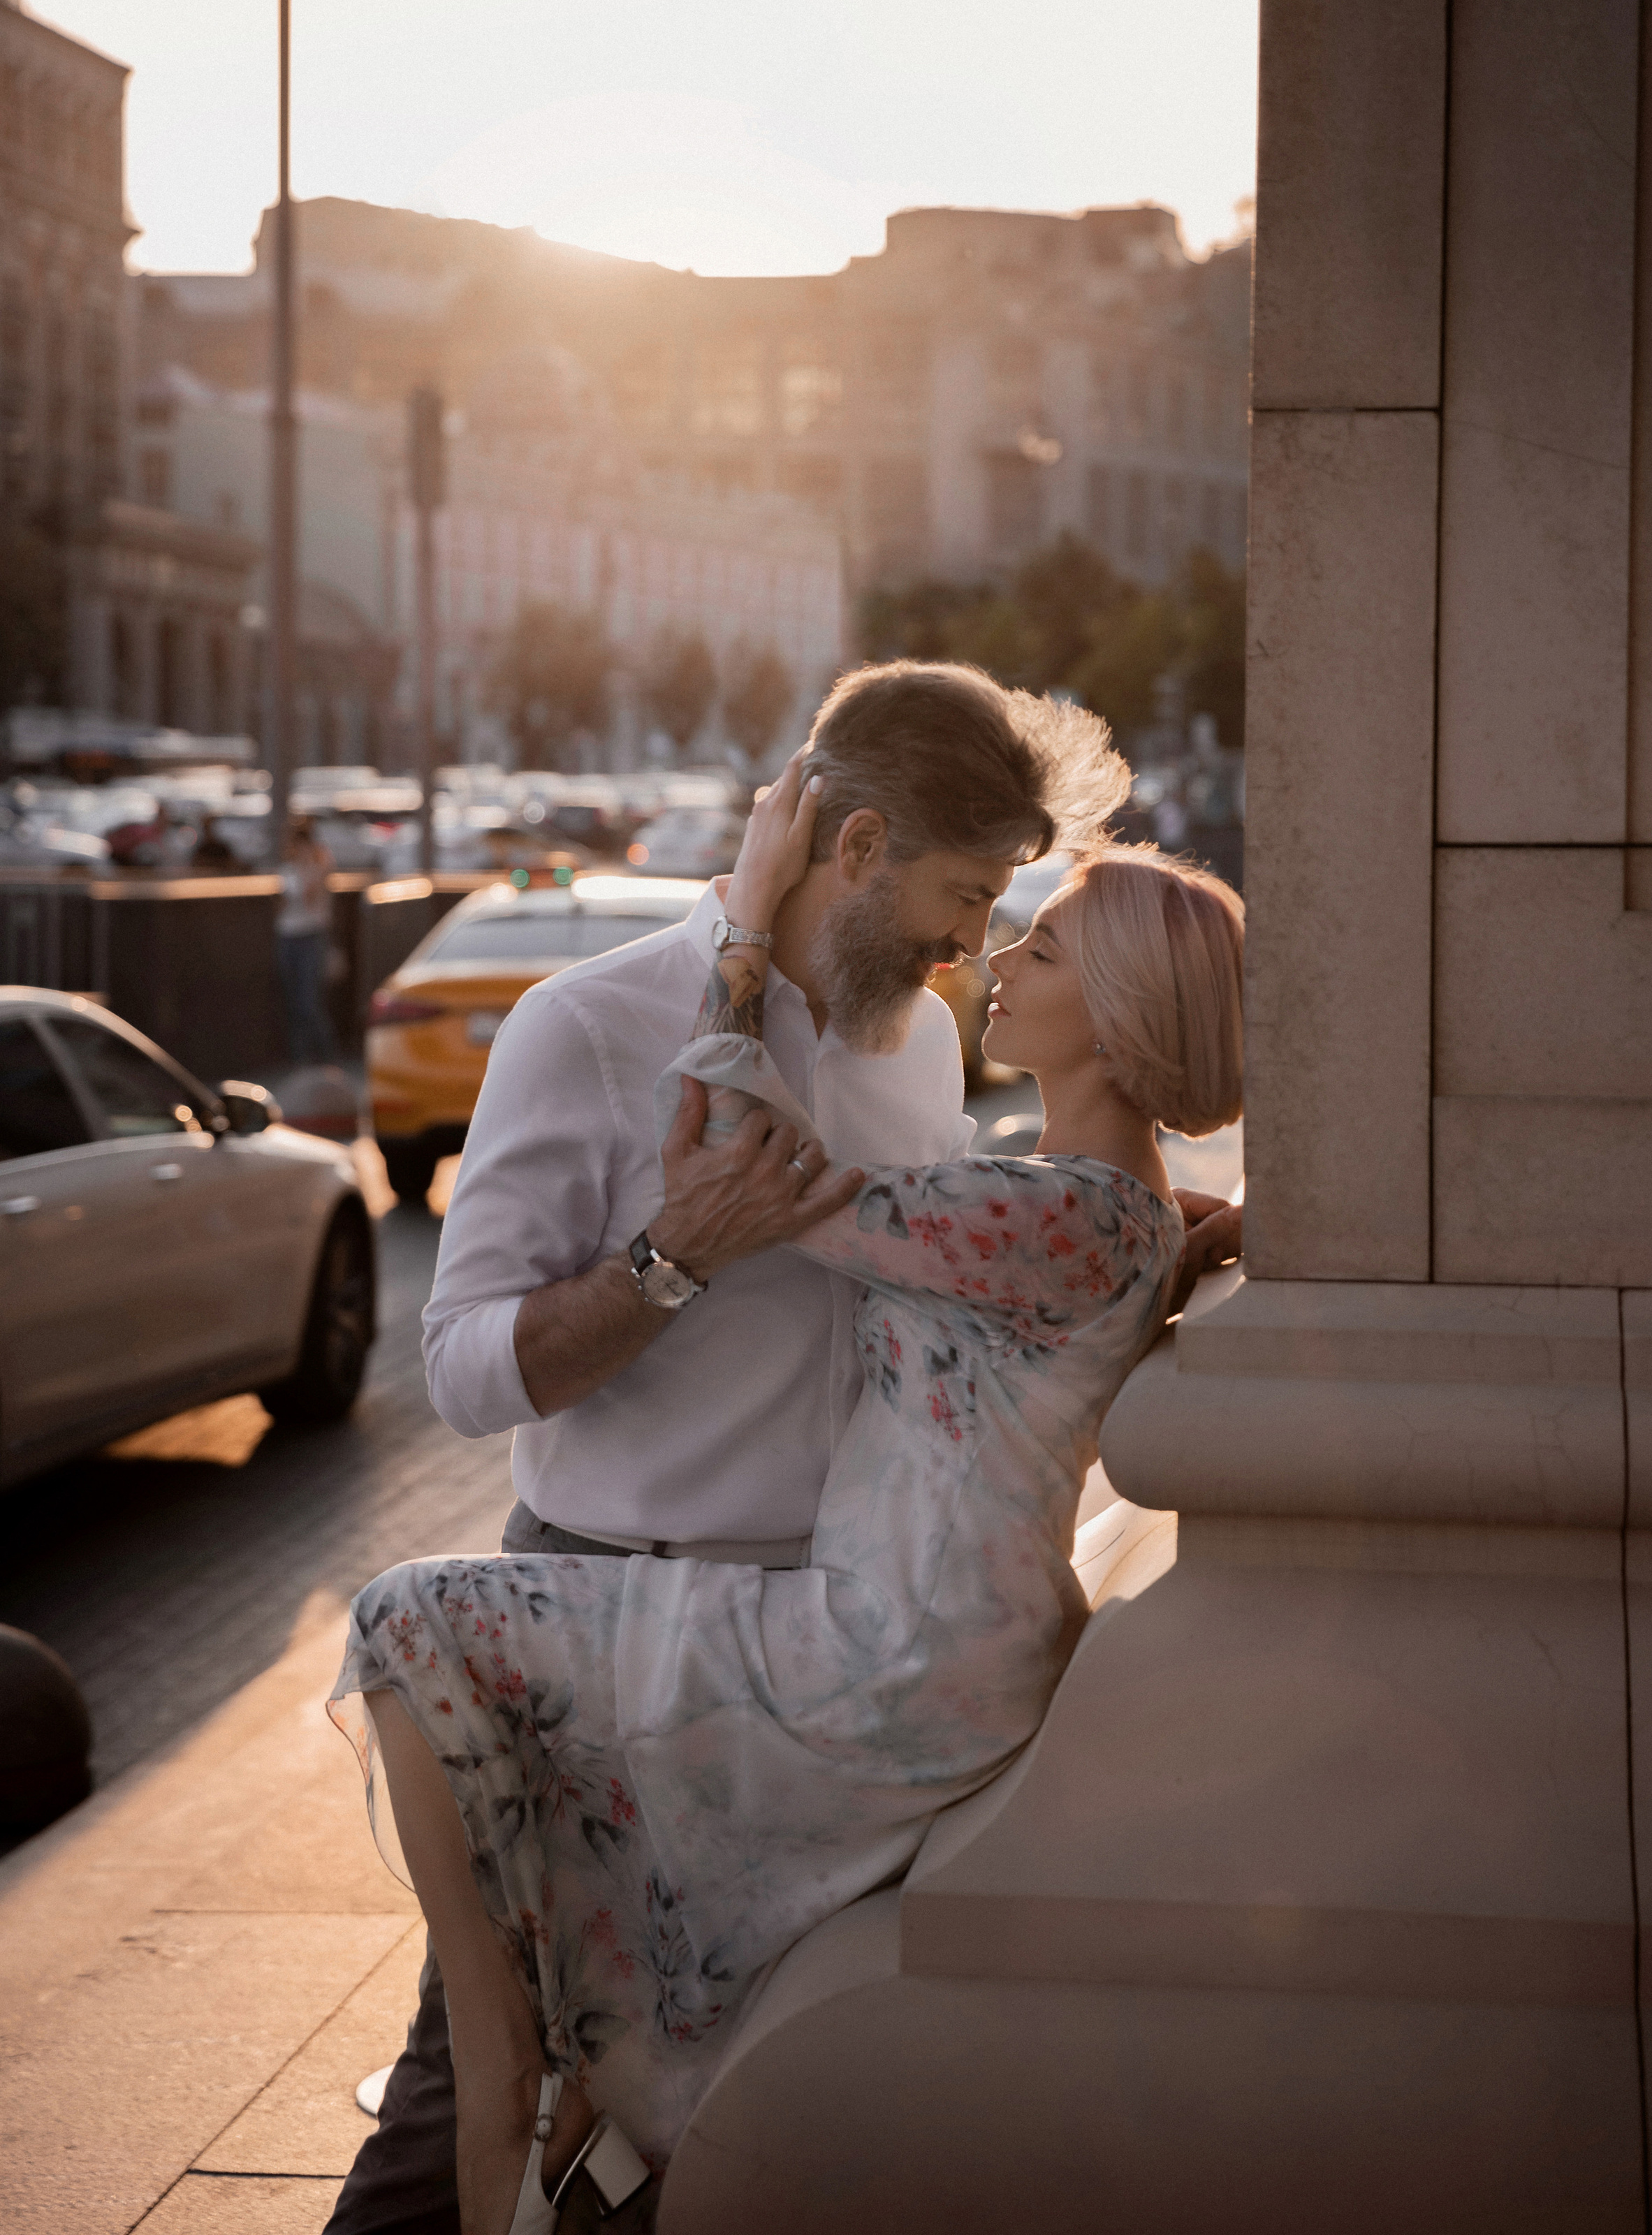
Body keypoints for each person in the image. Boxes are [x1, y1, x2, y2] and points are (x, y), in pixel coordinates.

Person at [326, 661, 1227, 2235]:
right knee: (480, 2082)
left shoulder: (925, 1056)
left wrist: (1157, 1250)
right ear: (858, 846)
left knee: (681, 2101)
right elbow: (464, 1373)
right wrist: (666, 1267)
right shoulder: (590, 1026)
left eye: (1013, 909)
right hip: (615, 1609)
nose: (973, 943)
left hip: (818, 1654)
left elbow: (981, 1293)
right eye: (966, 894)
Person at [277, 812, 339, 1066]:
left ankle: (328, 1056)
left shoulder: (319, 863)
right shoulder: (287, 868)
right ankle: (299, 1058)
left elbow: (309, 897)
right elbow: (281, 904)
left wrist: (309, 864)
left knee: (309, 1002)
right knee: (292, 1000)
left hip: (311, 936)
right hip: (287, 936)